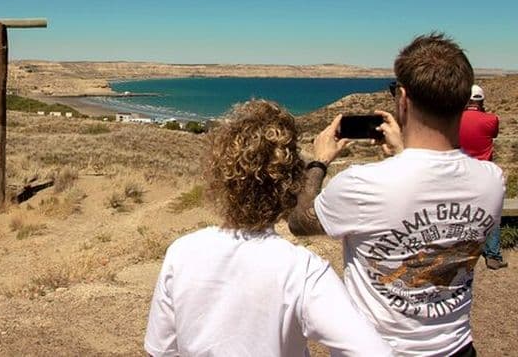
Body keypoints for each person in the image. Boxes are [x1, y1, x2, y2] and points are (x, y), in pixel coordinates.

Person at [288, 33, 505, 356]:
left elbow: (299, 222)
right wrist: (401, 153)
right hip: (458, 348)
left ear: (402, 98)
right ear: (464, 100)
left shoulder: (362, 184)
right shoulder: (492, 180)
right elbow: (427, 187)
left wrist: (319, 161)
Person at [144, 100, 391, 357]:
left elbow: (160, 351)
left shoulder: (182, 252)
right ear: (291, 181)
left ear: (219, 176)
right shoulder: (303, 270)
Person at [459, 84, 507, 270]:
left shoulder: (455, 119)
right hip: (485, 171)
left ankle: (462, 252)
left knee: (461, 211)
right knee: (492, 211)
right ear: (481, 100)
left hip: (462, 170)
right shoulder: (491, 119)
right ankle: (493, 255)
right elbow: (493, 134)